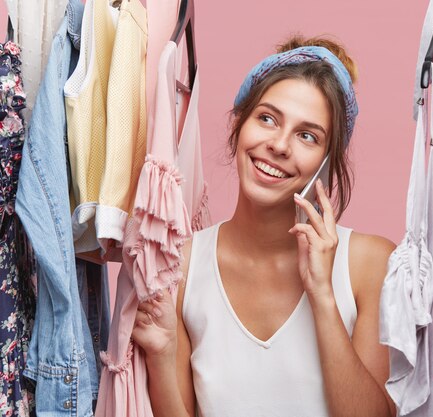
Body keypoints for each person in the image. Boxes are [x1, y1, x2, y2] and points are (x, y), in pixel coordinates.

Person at [131, 35, 396, 417]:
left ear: (327, 161)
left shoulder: (369, 266)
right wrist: (161, 355)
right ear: (239, 124)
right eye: (267, 118)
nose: (279, 144)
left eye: (308, 135)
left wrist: (322, 294)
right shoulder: (180, 268)